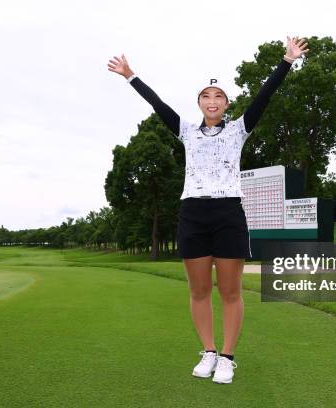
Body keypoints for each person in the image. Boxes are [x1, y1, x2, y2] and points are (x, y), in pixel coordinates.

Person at [108, 36, 309, 384]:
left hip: (229, 214)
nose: (212, 101)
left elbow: (264, 96)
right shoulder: (186, 131)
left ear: (227, 104)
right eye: (206, 96)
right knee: (199, 290)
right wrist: (130, 75)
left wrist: (286, 61)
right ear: (199, 103)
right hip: (193, 215)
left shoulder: (238, 130)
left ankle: (228, 358)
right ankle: (209, 351)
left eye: (218, 96)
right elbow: (158, 105)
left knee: (230, 291)